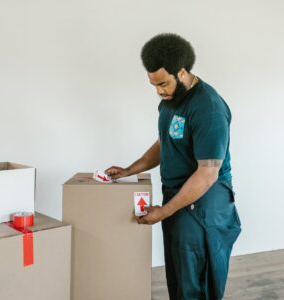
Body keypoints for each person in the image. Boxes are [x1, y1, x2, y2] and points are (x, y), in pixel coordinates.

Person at [105, 33, 241, 300]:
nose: (159, 91)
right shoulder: (170, 101)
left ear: (182, 72)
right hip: (179, 198)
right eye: (154, 85)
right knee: (179, 278)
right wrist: (129, 170)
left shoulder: (208, 108)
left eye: (164, 84)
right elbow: (165, 141)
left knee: (196, 283)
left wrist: (164, 211)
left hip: (204, 203)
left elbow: (207, 173)